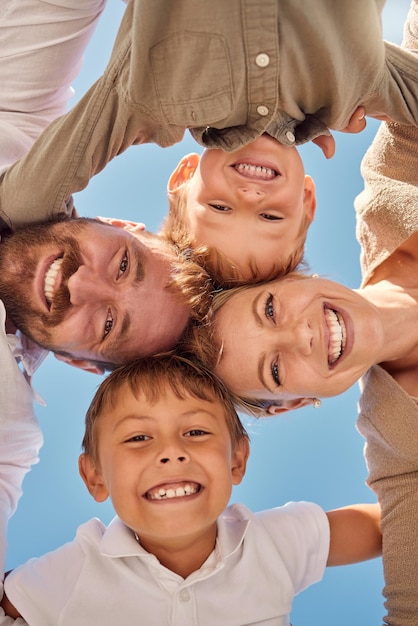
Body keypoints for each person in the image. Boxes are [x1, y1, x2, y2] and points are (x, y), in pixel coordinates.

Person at [0, 1, 417, 370]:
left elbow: (22, 200)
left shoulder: (151, 99)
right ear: (307, 200)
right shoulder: (344, 91)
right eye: (270, 216)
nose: (78, 284)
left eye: (108, 324)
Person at [0, 354, 381, 625]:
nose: (171, 452)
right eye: (138, 437)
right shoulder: (72, 572)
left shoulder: (275, 543)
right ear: (95, 477)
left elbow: (389, 525)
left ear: (237, 460)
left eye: (196, 432)